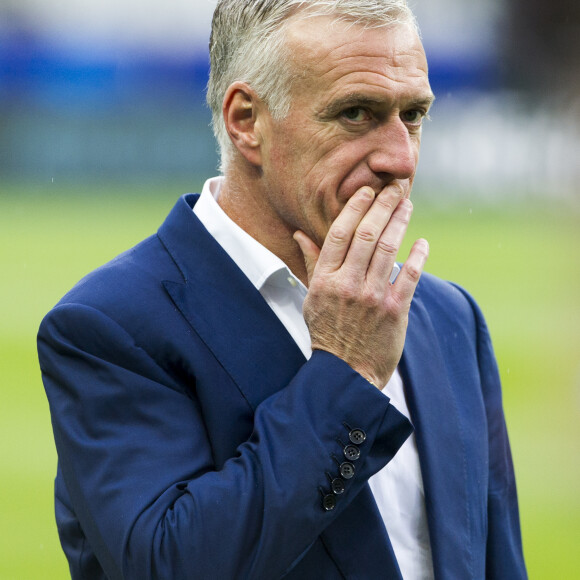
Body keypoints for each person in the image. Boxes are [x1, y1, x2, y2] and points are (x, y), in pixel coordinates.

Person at [38, 1, 527, 578]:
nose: (400, 157)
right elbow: (170, 565)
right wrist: (346, 372)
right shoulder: (108, 327)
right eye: (356, 113)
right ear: (247, 121)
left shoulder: (450, 318)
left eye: (413, 114)